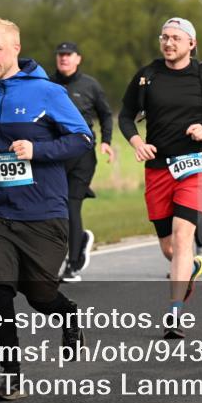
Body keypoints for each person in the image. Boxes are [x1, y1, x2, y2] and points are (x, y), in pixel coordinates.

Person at [0, 17, 94, 400]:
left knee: (39, 295)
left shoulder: (47, 92)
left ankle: (68, 314)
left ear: (15, 48)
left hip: (43, 213)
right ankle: (11, 375)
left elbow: (83, 139)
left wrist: (38, 150)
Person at [117, 17, 202, 338]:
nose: (169, 43)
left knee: (184, 236)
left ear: (191, 44)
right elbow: (126, 116)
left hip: (196, 166)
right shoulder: (147, 76)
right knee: (170, 249)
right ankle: (194, 266)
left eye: (176, 38)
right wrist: (137, 143)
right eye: (164, 37)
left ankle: (174, 314)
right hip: (158, 169)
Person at [50, 41, 114, 281]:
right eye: (60, 55)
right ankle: (79, 242)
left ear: (78, 58)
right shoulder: (47, 84)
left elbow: (106, 115)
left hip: (83, 154)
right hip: (55, 154)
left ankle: (73, 264)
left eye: (68, 55)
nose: (64, 58)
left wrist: (106, 141)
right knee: (53, 207)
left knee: (71, 205)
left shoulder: (90, 85)